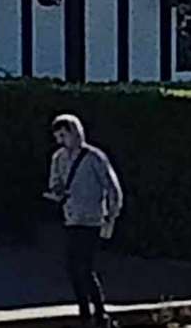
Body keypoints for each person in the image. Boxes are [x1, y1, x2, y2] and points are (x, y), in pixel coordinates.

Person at [43, 113, 123, 328]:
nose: (62, 141)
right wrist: (57, 192)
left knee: (85, 266)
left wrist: (110, 216)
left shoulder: (95, 157)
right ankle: (85, 311)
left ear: (75, 133)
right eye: (58, 137)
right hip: (72, 217)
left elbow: (112, 187)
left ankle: (99, 312)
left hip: (92, 218)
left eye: (64, 135)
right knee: (72, 267)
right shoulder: (58, 158)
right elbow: (55, 183)